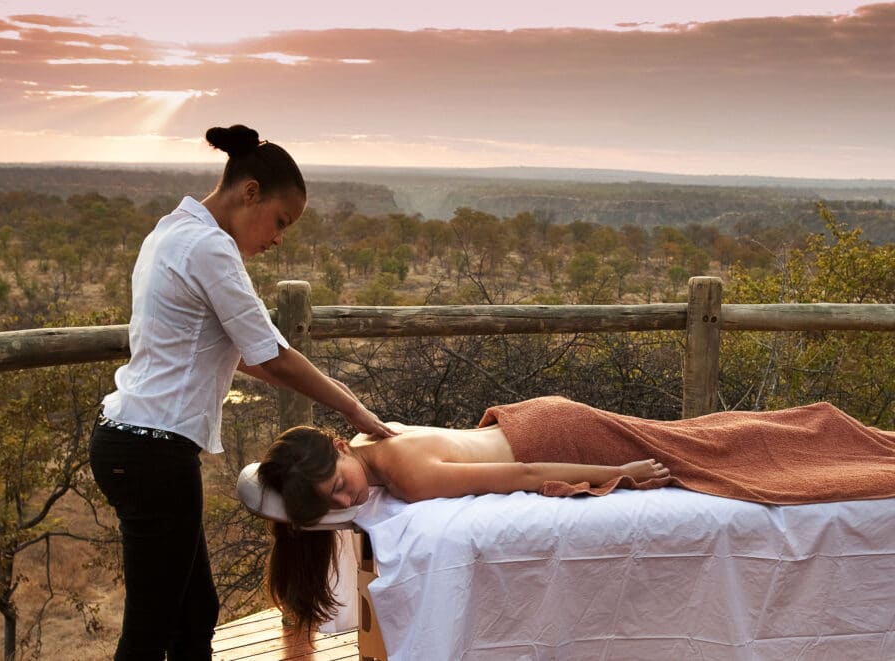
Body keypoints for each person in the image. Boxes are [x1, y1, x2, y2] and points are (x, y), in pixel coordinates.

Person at [88, 124, 393, 660]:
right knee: (151, 628)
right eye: (280, 221)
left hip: (135, 445)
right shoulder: (209, 247)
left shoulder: (170, 229)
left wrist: (303, 377)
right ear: (249, 191)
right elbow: (272, 354)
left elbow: (243, 354)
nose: (278, 239)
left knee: (193, 612)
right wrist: (355, 408)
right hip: (151, 452)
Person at [255, 395, 895, 632]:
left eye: (339, 486)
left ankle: (831, 441)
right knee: (708, 436)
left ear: (339, 447)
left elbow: (527, 475)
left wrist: (616, 475)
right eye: (333, 505)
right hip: (537, 418)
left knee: (713, 455)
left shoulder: (409, 478)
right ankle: (816, 433)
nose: (350, 502)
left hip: (557, 438)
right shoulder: (370, 439)